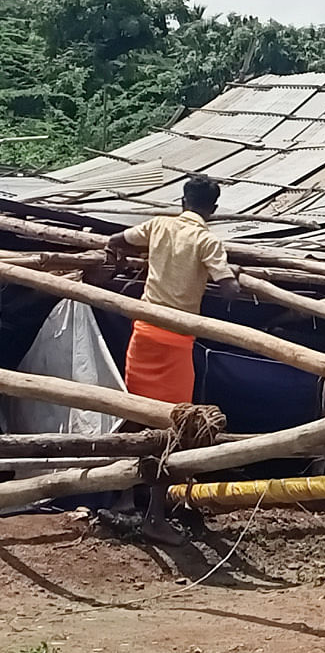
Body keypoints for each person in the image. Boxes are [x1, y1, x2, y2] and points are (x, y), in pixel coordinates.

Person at [106, 175, 239, 546]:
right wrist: (237, 279)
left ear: (182, 200)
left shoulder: (159, 225)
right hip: (177, 341)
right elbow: (228, 286)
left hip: (144, 335)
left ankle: (121, 497)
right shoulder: (207, 239)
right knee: (174, 426)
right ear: (212, 210)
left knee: (134, 414)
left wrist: (115, 258)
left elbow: (117, 241)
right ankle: (155, 517)